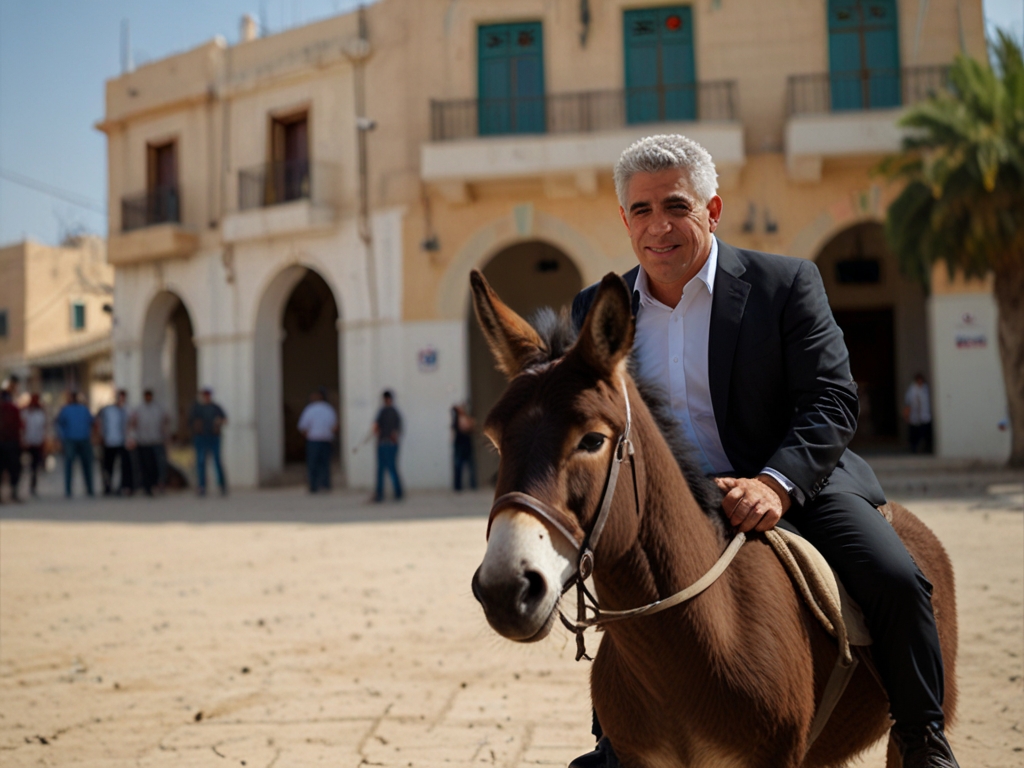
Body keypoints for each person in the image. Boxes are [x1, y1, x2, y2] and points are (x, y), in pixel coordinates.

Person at [568, 135, 957, 768]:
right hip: (667, 501)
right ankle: (613, 744)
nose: (658, 226)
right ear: (624, 220)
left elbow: (832, 400)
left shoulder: (784, 283)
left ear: (711, 210)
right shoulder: (597, 307)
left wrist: (775, 483)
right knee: (612, 582)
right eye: (641, 211)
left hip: (792, 478)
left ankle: (922, 739)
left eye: (675, 206)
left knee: (896, 577)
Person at [298, 387, 338, 493]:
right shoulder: (329, 409)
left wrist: (309, 435)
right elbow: (335, 427)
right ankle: (325, 485)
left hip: (314, 440)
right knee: (324, 464)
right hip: (326, 440)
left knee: (313, 464)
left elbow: (302, 426)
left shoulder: (310, 409)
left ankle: (314, 486)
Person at [55, 391, 94, 498]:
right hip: (71, 440)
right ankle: (69, 490)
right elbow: (59, 424)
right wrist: (61, 439)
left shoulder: (83, 409)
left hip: (81, 439)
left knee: (86, 465)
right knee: (70, 466)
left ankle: (89, 488)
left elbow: (92, 422)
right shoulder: (68, 409)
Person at [190, 388, 228, 496]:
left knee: (217, 461)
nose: (206, 397)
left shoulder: (215, 407)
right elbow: (191, 421)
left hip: (214, 437)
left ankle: (222, 485)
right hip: (201, 437)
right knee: (201, 462)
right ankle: (201, 486)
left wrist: (219, 422)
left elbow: (225, 419)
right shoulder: (197, 408)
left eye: (208, 395)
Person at [131, 389, 168, 496]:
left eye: (149, 396)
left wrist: (165, 437)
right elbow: (133, 423)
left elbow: (165, 421)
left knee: (157, 465)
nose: (148, 398)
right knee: (145, 466)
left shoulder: (158, 408)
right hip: (143, 442)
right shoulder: (139, 409)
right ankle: (146, 486)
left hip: (156, 441)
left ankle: (158, 484)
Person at [96, 389, 133, 496]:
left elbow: (131, 425)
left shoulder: (126, 410)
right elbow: (99, 423)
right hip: (109, 443)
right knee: (108, 467)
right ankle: (107, 486)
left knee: (124, 466)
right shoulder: (107, 410)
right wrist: (100, 436)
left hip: (122, 442)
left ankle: (123, 487)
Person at [372, 389, 403, 502]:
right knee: (391, 468)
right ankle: (398, 493)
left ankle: (380, 494)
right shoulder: (395, 412)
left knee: (382, 470)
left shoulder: (383, 411)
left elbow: (375, 427)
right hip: (392, 444)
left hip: (384, 444)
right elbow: (399, 430)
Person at [21, 394, 47, 498]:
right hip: (26, 443)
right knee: (22, 466)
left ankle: (32, 487)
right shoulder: (25, 412)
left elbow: (43, 428)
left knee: (34, 467)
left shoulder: (41, 413)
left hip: (37, 443)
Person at [0, 389, 22, 502]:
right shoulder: (13, 409)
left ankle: (11, 494)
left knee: (11, 469)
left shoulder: (13, 409)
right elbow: (20, 426)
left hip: (9, 443)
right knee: (14, 469)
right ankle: (13, 494)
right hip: (12, 443)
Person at [905, 373, 934, 454]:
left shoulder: (925, 388)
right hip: (914, 417)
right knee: (914, 434)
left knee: (926, 434)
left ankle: (927, 448)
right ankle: (913, 448)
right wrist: (907, 416)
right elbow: (908, 404)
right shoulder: (912, 390)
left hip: (925, 416)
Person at [451, 403, 477, 491]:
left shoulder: (466, 418)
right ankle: (458, 487)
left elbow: (470, 427)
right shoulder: (456, 420)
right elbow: (463, 428)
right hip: (459, 446)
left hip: (466, 445)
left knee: (470, 467)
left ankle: (473, 485)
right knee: (459, 467)